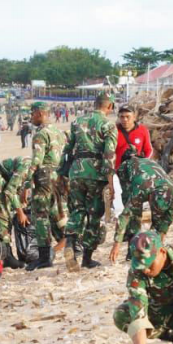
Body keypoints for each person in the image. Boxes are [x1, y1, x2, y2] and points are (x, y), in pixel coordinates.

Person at [59, 93, 117, 270]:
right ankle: (87, 257)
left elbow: (67, 149)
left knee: (76, 209)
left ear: (95, 104)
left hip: (76, 170)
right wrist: (111, 181)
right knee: (94, 214)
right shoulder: (108, 124)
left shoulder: (77, 122)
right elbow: (109, 155)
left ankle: (70, 243)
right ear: (110, 107)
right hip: (95, 173)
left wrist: (62, 173)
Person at [108, 157, 173, 263]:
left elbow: (167, 219)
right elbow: (124, 216)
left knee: (159, 221)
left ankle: (151, 247)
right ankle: (131, 249)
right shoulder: (142, 189)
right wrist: (117, 244)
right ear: (150, 198)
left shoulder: (172, 192)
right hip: (126, 169)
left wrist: (160, 240)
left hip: (147, 172)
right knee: (134, 213)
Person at [25, 102, 67, 271]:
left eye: (32, 114)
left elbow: (37, 160)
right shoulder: (58, 132)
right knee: (57, 211)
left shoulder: (40, 134)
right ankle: (71, 243)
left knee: (40, 215)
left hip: (44, 177)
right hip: (58, 176)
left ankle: (44, 257)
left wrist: (27, 181)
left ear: (40, 113)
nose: (31, 117)